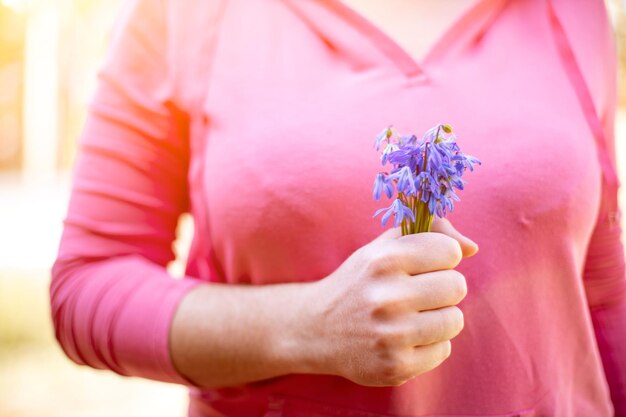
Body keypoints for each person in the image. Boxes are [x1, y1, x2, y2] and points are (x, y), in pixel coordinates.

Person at [50, 0, 626, 416]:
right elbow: (87, 283)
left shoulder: (574, 13)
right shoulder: (184, 14)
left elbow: (601, 290)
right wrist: (307, 326)